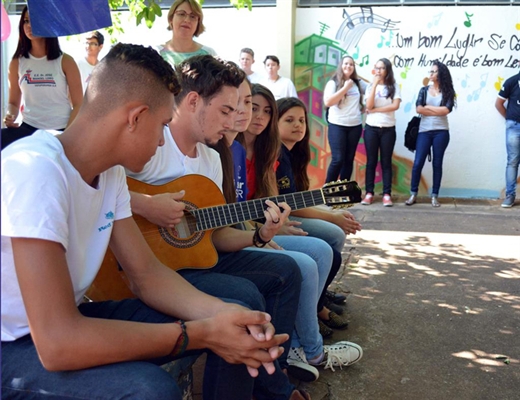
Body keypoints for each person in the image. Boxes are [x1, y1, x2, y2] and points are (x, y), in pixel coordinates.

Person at [1, 43, 293, 400]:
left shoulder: (109, 177)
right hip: (13, 344)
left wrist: (223, 315)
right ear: (135, 117)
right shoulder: (36, 169)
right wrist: (198, 332)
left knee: (237, 324)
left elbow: (147, 276)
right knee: (150, 389)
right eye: (162, 126)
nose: (160, 141)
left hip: (66, 323)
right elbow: (58, 342)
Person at [125, 54, 310, 400]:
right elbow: (99, 183)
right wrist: (146, 204)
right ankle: (274, 390)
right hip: (147, 267)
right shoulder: (152, 142)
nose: (235, 120)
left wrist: (260, 235)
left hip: (191, 258)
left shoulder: (211, 159)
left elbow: (216, 233)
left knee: (286, 270)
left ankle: (268, 380)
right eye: (226, 110)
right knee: (246, 299)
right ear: (194, 101)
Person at [236, 85, 363, 377]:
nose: (259, 116)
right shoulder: (230, 150)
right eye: (252, 107)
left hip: (256, 227)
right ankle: (310, 348)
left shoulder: (267, 152)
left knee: (323, 249)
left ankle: (302, 340)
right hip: (239, 234)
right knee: (315, 254)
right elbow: (234, 207)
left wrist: (274, 226)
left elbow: (273, 201)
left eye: (267, 110)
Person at [1, 6, 83, 149]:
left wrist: (66, 136)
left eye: (34, 21)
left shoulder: (66, 61)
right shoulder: (17, 62)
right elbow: (13, 103)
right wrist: (10, 115)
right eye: (26, 21)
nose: (29, 25)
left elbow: (78, 104)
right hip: (29, 129)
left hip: (61, 130)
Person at [405, 60, 456, 208]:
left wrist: (428, 107)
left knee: (437, 163)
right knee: (418, 162)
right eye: (430, 72)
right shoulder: (424, 90)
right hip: (424, 131)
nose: (431, 74)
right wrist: (435, 109)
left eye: (433, 71)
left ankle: (434, 196)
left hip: (441, 132)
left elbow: (446, 111)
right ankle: (413, 193)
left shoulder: (448, 92)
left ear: (440, 74)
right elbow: (419, 109)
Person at [361, 57, 401, 207]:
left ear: (387, 70)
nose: (378, 71)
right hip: (371, 128)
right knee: (371, 161)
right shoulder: (371, 86)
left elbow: (395, 106)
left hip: (388, 128)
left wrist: (376, 110)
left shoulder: (394, 86)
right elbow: (369, 105)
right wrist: (375, 84)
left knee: (386, 162)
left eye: (382, 68)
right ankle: (369, 193)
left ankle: (386, 194)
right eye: (376, 68)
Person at [324, 55, 368, 183]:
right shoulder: (333, 83)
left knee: (349, 159)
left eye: (351, 64)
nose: (348, 66)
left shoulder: (358, 83)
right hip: (337, 125)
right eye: (346, 64)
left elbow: (372, 90)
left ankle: (344, 192)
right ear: (341, 66)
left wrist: (367, 107)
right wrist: (345, 88)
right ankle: (327, 191)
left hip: (355, 126)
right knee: (338, 159)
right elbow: (328, 102)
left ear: (354, 68)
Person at [158, 0, 216, 67]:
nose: (187, 20)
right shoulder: (157, 52)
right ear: (171, 19)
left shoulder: (209, 54)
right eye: (182, 14)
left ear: (198, 23)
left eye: (192, 16)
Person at [495, 70, 520, 208]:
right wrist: (510, 119)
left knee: (512, 162)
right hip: (514, 127)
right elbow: (498, 103)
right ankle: (510, 196)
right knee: (513, 161)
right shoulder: (511, 81)